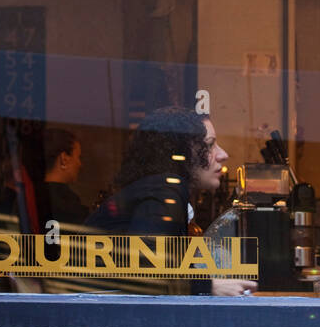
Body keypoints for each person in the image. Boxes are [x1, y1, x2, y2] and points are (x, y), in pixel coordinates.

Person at [88, 106, 252, 296]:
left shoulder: (159, 190)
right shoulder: (165, 191)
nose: (223, 154)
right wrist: (209, 286)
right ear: (182, 153)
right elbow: (145, 269)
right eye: (209, 145)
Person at [41, 128, 89, 226]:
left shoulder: (30, 197)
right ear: (64, 159)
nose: (80, 164)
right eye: (78, 157)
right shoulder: (68, 203)